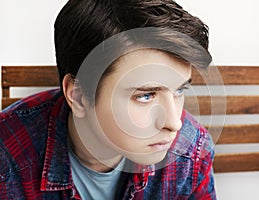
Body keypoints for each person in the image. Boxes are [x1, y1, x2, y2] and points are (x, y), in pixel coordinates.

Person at [0, 0, 216, 199]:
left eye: (179, 91)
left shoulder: (191, 150)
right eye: (146, 95)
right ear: (80, 97)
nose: (174, 122)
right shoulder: (7, 158)